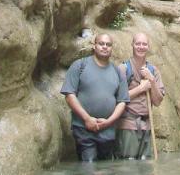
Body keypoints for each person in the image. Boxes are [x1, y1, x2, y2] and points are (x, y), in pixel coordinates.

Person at [60, 33, 130, 162]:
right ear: (94, 46)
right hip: (84, 129)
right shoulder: (79, 65)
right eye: (101, 44)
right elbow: (69, 95)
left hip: (108, 131)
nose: (105, 47)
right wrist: (87, 119)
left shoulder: (117, 72)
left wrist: (109, 122)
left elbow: (122, 101)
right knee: (89, 165)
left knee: (106, 167)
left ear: (111, 48)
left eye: (108, 45)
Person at [114, 33, 165, 160]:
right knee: (129, 165)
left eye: (144, 44)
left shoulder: (153, 70)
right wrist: (140, 89)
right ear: (132, 45)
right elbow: (118, 98)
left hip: (147, 125)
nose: (141, 47)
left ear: (148, 47)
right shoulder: (123, 69)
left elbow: (158, 101)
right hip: (128, 124)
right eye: (138, 43)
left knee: (145, 165)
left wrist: (152, 81)